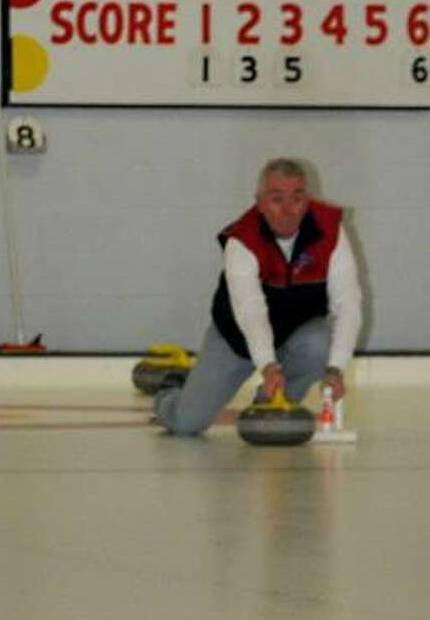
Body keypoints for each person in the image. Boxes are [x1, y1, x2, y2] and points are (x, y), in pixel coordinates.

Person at [154, 158, 362, 435]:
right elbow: (250, 312)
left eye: (297, 198)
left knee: (319, 342)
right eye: (277, 199)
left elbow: (347, 304)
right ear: (259, 202)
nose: (288, 210)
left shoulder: (330, 231)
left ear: (307, 200)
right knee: (186, 424)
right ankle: (172, 388)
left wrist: (335, 369)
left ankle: (268, 404)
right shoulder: (241, 240)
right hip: (236, 336)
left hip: (296, 334)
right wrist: (267, 365)